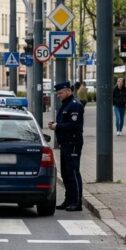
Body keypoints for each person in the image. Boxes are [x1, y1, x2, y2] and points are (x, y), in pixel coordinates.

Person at [48, 81, 85, 212]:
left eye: (60, 93)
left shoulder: (74, 105)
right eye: (57, 93)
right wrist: (56, 124)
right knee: (65, 173)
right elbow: (65, 121)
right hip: (65, 143)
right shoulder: (66, 104)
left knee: (73, 172)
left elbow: (74, 125)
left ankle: (77, 202)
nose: (58, 95)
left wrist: (57, 126)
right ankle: (69, 199)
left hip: (72, 143)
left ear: (68, 91)